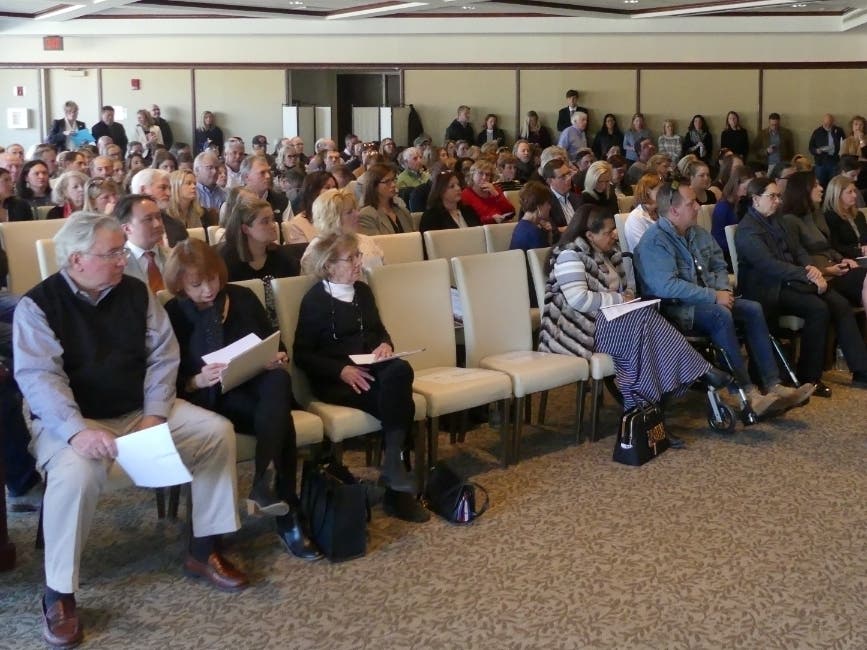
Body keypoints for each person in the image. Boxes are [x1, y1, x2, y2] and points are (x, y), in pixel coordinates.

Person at [13, 212, 247, 648]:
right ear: (77, 259)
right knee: (76, 474)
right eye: (113, 253)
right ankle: (59, 593)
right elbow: (40, 379)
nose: (124, 260)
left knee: (215, 432)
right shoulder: (38, 306)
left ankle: (203, 548)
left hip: (139, 408)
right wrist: (77, 430)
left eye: (123, 250)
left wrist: (155, 414)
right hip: (71, 419)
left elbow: (164, 356)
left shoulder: (137, 294)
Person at [162, 239, 320, 559]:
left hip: (256, 389)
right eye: (196, 284)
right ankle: (281, 505)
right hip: (211, 401)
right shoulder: (172, 314)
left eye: (213, 279)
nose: (208, 289)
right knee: (280, 420)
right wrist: (196, 379)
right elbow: (165, 380)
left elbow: (275, 344)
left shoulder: (242, 298)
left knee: (276, 378)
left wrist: (275, 357)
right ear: (179, 284)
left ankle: (268, 487)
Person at [538, 204, 729, 425]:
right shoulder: (569, 256)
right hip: (579, 329)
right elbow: (579, 301)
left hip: (610, 322)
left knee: (643, 331)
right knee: (643, 322)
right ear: (589, 235)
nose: (614, 234)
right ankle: (696, 373)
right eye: (608, 231)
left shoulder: (608, 253)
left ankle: (646, 414)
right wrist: (621, 299)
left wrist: (625, 295)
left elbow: (620, 290)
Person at [634, 182, 813, 418]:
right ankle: (744, 392)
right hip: (676, 309)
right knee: (721, 315)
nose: (698, 207)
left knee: (752, 308)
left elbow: (718, 264)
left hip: (712, 300)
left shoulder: (696, 232)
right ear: (674, 210)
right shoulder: (654, 241)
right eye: (691, 204)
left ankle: (773, 383)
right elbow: (667, 286)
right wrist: (713, 296)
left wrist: (722, 291)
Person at [294, 232, 427, 519]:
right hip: (336, 379)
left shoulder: (363, 292)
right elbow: (303, 354)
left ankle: (392, 466)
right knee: (402, 402)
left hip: (371, 369)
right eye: (351, 258)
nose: (358, 262)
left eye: (358, 256)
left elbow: (379, 330)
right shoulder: (315, 301)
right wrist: (340, 370)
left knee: (400, 369)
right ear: (329, 265)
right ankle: (396, 485)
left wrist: (385, 345)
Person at [734, 177, 867, 394]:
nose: (778, 201)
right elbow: (769, 265)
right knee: (818, 308)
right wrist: (808, 275)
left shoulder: (778, 220)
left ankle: (861, 369)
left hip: (790, 280)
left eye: (779, 196)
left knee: (839, 303)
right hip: (767, 288)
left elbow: (798, 251)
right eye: (772, 196)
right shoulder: (747, 229)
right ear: (756, 199)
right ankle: (809, 377)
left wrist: (811, 268)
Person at [780, 171, 867, 313]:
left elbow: (829, 246)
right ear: (804, 190)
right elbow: (798, 257)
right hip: (821, 276)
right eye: (816, 185)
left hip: (836, 267)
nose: (821, 188)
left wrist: (843, 259)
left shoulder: (816, 214)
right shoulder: (790, 221)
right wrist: (827, 270)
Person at [220, 190, 300, 284]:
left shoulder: (283, 258)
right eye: (265, 222)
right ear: (245, 229)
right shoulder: (225, 261)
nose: (273, 225)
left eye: (272, 219)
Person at [303, 187, 383, 271]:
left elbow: (384, 275)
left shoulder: (367, 241)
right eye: (349, 212)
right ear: (331, 219)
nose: (358, 214)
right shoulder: (317, 251)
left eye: (355, 209)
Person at [420, 169, 481, 236]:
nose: (458, 188)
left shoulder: (468, 210)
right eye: (452, 186)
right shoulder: (431, 216)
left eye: (458, 184)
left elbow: (480, 233)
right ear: (441, 191)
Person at [710, 166, 752, 262]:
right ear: (736, 186)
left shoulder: (747, 204)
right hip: (727, 257)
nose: (749, 192)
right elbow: (717, 240)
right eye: (746, 188)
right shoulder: (723, 207)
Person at [358, 163, 414, 235]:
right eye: (387, 181)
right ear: (374, 186)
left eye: (393, 180)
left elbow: (414, 238)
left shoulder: (403, 211)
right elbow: (374, 244)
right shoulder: (367, 215)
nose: (393, 185)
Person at [284, 171, 337, 244]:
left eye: (334, 187)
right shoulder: (296, 225)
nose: (334, 191)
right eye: (327, 187)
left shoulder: (341, 216)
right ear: (313, 192)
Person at [822, 175, 867, 259]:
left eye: (854, 191)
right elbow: (836, 247)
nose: (855, 195)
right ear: (837, 194)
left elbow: (865, 237)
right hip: (847, 259)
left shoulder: (859, 215)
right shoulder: (830, 217)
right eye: (850, 192)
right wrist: (861, 251)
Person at [459, 159, 515, 225]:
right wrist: (491, 219)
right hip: (481, 230)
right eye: (480, 173)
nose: (484, 177)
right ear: (472, 175)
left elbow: (510, 211)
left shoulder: (495, 189)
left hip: (500, 226)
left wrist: (496, 195)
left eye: (487, 174)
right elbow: (470, 221)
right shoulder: (465, 194)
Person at [622, 172, 661, 252]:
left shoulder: (663, 212)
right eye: (660, 190)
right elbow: (643, 249)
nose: (664, 194)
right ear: (648, 191)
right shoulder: (636, 218)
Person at [509, 180, 553, 251]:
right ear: (539, 207)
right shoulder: (535, 233)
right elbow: (546, 258)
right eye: (548, 203)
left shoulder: (520, 226)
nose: (550, 207)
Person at [808, 114, 845, 187]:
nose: (828, 126)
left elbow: (844, 143)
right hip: (821, 162)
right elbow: (811, 147)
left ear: (833, 122)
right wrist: (816, 151)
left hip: (835, 161)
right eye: (826, 124)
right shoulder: (817, 132)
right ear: (823, 122)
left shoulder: (839, 131)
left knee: (834, 184)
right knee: (819, 184)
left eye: (830, 124)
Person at [544, 157, 580, 232]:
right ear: (550, 181)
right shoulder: (545, 203)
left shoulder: (577, 198)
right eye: (563, 177)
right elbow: (549, 231)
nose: (569, 178)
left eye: (568, 174)